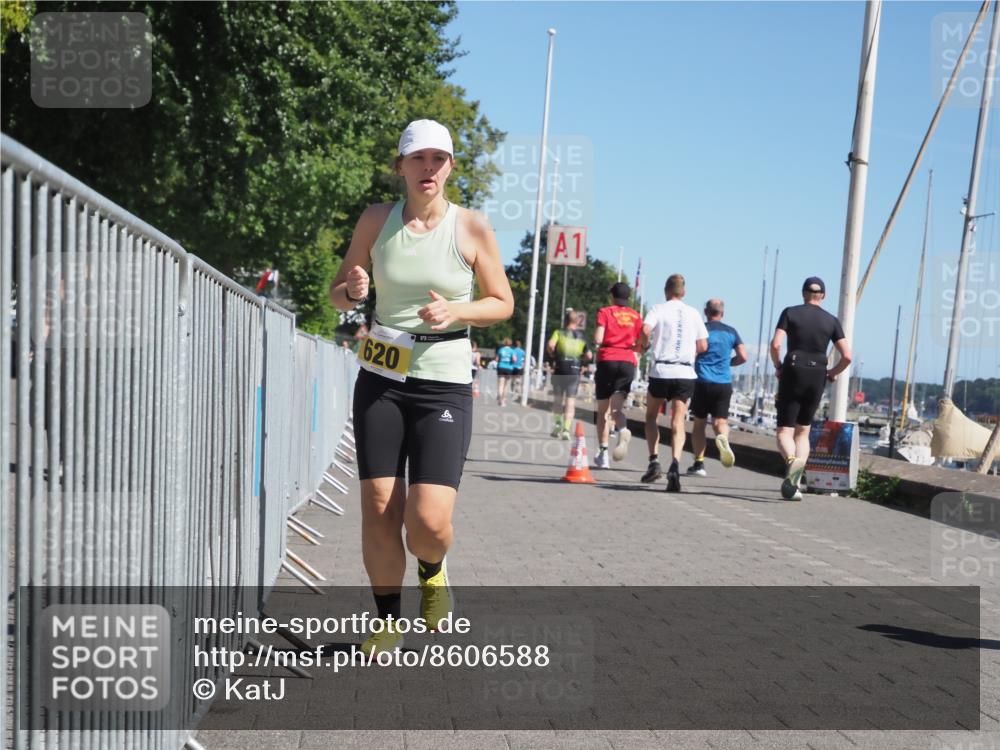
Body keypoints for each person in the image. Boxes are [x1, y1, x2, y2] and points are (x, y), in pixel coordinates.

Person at [329, 119, 513, 654]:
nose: (428, 168)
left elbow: (501, 301)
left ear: (451, 166)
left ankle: (433, 570)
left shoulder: (472, 227)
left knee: (428, 520)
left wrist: (457, 308)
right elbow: (339, 294)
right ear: (401, 167)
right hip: (382, 375)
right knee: (381, 503)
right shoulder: (375, 220)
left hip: (444, 380)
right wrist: (353, 288)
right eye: (417, 159)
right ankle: (387, 618)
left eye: (438, 159)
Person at [769, 276, 851, 501]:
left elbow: (776, 344)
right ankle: (796, 479)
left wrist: (778, 366)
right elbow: (847, 356)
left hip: (793, 369)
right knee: (803, 430)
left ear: (803, 293)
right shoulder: (831, 321)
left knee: (784, 430)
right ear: (823, 296)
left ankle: (790, 462)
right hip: (817, 374)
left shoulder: (790, 312)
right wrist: (832, 373)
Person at [640, 274, 708, 492]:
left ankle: (654, 460)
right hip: (685, 372)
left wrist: (645, 345)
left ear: (666, 291)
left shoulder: (658, 309)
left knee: (651, 416)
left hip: (661, 370)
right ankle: (675, 465)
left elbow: (645, 330)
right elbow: (703, 345)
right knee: (678, 421)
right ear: (684, 292)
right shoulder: (694, 313)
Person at [687, 299, 748, 477]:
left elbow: (692, 351)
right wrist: (728, 363)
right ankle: (723, 439)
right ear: (723, 313)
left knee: (699, 424)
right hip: (723, 383)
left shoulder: (701, 330)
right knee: (720, 422)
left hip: (702, 381)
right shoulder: (731, 332)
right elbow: (743, 356)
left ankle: (698, 465)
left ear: (706, 312)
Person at [593, 282, 643, 469]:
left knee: (603, 411)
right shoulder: (636, 316)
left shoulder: (605, 312)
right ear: (628, 297)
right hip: (628, 362)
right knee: (616, 410)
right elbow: (641, 341)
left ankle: (603, 453)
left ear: (613, 296)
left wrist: (598, 341)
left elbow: (598, 338)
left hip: (608, 359)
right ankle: (622, 429)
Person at [547, 310, 592, 440]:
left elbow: (551, 344)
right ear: (577, 322)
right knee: (570, 402)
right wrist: (581, 359)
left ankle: (557, 424)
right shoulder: (582, 336)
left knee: (557, 400)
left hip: (560, 368)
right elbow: (589, 355)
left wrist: (552, 354)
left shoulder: (559, 333)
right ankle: (566, 429)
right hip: (574, 370)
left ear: (565, 320)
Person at [495, 337, 515, 405]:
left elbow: (497, 359)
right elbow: (514, 359)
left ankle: (500, 399)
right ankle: (503, 400)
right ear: (510, 343)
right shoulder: (512, 351)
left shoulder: (501, 350)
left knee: (501, 384)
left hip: (501, 367)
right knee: (506, 385)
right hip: (509, 368)